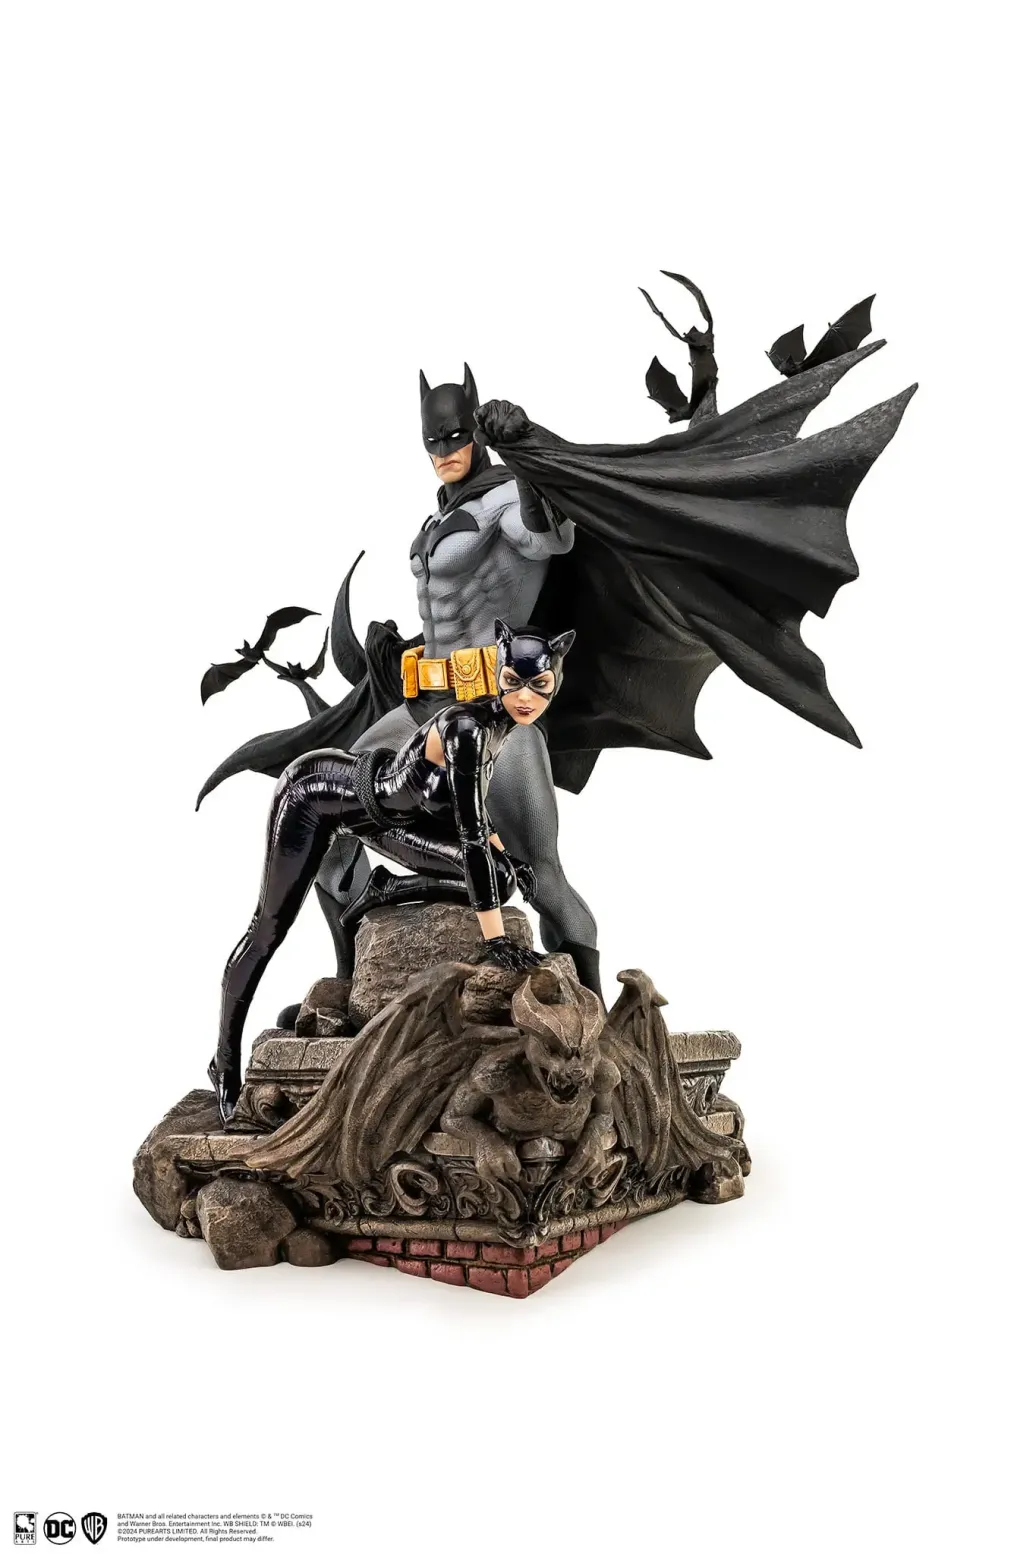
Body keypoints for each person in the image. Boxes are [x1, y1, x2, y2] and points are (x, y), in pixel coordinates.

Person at [209, 620, 575, 1124]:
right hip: (315, 795)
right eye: (514, 682)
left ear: (556, 681)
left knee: (502, 877)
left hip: (387, 820)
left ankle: (384, 888)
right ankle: (224, 1062)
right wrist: (495, 939)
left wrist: (506, 859)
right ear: (497, 675)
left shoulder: (503, 727)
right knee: (268, 929)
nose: (526, 697)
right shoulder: (468, 730)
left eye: (540, 685)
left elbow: (475, 818)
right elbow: (469, 835)